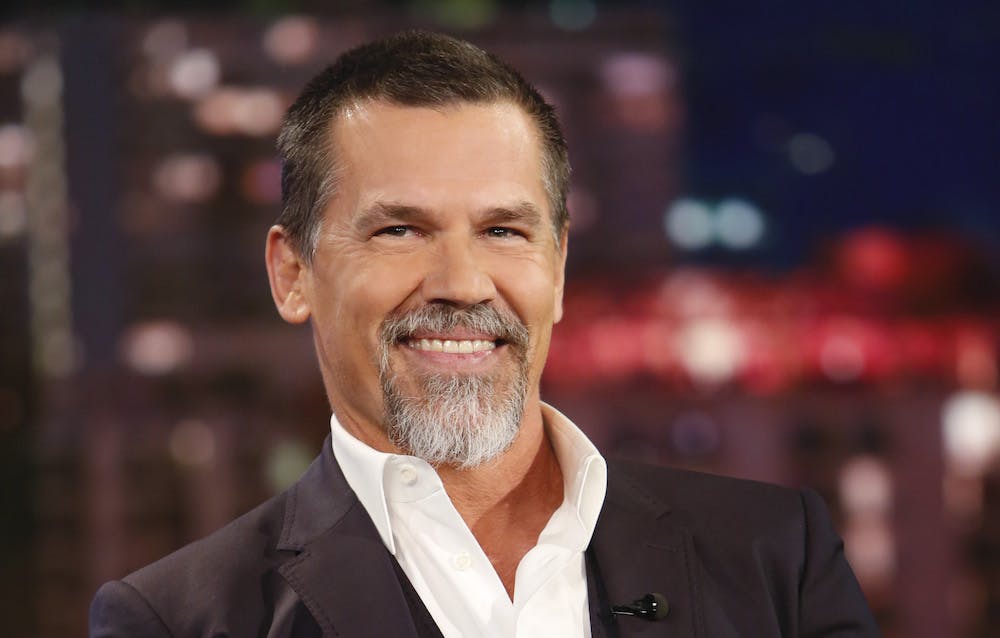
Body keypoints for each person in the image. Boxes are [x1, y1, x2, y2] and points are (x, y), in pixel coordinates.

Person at [90, 30, 879, 637]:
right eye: (400, 230)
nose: (463, 284)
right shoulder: (178, 621)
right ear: (292, 273)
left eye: (503, 231)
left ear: (557, 268)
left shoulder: (778, 558)